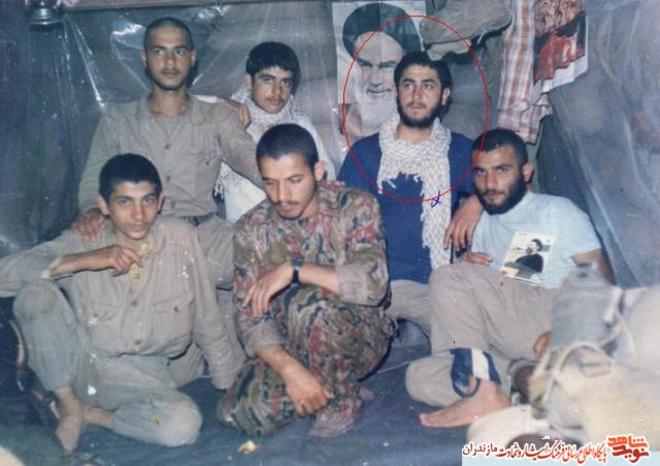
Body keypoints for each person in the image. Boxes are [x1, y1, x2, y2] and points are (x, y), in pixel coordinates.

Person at [0, 154, 242, 453]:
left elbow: (207, 317)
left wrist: (227, 385)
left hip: (145, 378)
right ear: (103, 205)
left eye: (147, 201)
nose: (139, 215)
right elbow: (5, 275)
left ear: (160, 202)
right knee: (35, 294)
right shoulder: (85, 239)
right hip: (80, 365)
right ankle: (69, 406)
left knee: (182, 424)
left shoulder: (180, 238)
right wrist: (83, 260)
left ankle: (94, 415)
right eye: (125, 202)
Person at [405, 128, 614, 427]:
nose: (490, 184)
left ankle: (486, 392)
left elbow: (604, 284)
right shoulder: (482, 223)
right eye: (481, 173)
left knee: (447, 277)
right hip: (513, 342)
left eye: (502, 170)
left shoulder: (554, 211)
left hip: (553, 326)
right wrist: (472, 272)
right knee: (419, 376)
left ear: (526, 172)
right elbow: (502, 293)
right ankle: (524, 382)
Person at [218, 124, 391, 438]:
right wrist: (291, 371)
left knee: (308, 304)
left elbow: (373, 285)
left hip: (359, 337)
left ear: (318, 172)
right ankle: (328, 383)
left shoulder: (355, 206)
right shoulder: (251, 229)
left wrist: (294, 268)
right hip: (292, 345)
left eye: (294, 180)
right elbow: (248, 317)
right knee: (245, 411)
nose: (281, 196)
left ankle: (339, 403)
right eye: (270, 183)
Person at [74, 17, 258, 288]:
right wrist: (92, 209)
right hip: (139, 238)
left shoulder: (217, 118)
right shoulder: (118, 120)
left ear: (192, 58)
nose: (170, 62)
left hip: (205, 240)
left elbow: (252, 160)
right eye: (159, 51)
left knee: (267, 260)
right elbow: (94, 177)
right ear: (145, 58)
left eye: (179, 51)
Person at [338, 51, 482, 336]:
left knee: (467, 349)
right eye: (408, 85)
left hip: (437, 282)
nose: (416, 95)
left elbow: (507, 191)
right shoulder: (365, 153)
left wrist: (477, 201)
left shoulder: (460, 150)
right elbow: (338, 223)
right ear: (397, 92)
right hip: (377, 283)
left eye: (428, 86)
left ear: (444, 96)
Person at [220, 41, 336, 222]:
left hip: (295, 229)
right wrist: (218, 103)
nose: (277, 91)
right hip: (244, 230)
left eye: (285, 82)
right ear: (249, 82)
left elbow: (327, 177)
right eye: (268, 80)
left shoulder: (300, 124)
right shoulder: (227, 120)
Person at [341, 2, 422, 142]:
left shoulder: (423, 118)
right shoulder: (339, 117)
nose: (375, 80)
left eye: (386, 66)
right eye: (364, 65)